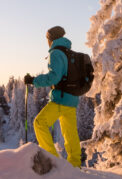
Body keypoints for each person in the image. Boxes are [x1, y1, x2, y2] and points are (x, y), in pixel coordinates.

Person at [24, 25, 81, 168]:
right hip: (72, 99)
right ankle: (75, 165)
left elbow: (54, 77)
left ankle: (53, 161)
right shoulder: (69, 52)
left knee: (39, 123)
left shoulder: (56, 53)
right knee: (70, 134)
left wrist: (33, 80)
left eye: (47, 38)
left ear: (51, 39)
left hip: (60, 99)